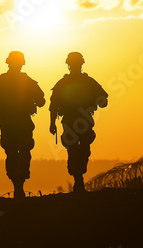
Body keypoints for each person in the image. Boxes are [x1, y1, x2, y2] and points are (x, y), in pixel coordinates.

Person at [0, 51, 45, 198]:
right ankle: (19, 184)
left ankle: (18, 184)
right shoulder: (25, 81)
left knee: (14, 152)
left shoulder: (1, 81)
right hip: (19, 122)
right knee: (21, 151)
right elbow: (42, 101)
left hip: (9, 123)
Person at [49, 52, 108, 193]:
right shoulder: (84, 82)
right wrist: (51, 123)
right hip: (78, 120)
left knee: (79, 149)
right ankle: (78, 179)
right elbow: (54, 105)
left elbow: (103, 100)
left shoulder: (68, 83)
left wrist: (52, 123)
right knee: (77, 149)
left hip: (78, 120)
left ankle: (78, 177)